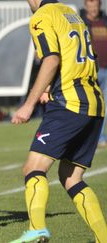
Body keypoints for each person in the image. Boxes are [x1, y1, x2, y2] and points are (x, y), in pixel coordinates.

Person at [10, 0, 107, 242]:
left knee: (33, 168)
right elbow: (87, 56)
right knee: (71, 177)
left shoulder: (41, 16)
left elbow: (51, 59)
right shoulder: (71, 14)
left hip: (69, 104)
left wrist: (29, 104)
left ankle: (36, 229)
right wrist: (49, 88)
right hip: (94, 103)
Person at [80, 0, 107, 148]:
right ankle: (85, 138)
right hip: (90, 70)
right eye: (90, 6)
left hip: (106, 70)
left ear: (99, 6)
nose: (93, 9)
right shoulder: (81, 22)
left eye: (95, 6)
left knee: (105, 107)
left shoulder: (104, 21)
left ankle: (101, 138)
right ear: (86, 6)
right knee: (87, 106)